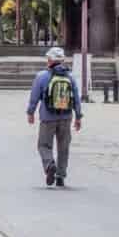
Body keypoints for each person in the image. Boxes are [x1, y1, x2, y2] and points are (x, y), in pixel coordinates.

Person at [26, 46, 82, 188]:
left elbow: (34, 97)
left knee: (44, 145)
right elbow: (76, 98)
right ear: (62, 60)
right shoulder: (70, 77)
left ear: (50, 60)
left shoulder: (42, 76)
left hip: (47, 117)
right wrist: (78, 117)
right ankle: (61, 176)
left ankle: (49, 163)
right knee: (63, 147)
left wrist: (30, 112)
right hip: (66, 117)